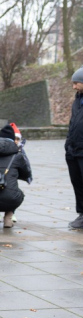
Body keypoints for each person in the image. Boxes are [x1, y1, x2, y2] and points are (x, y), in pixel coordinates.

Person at [0, 123, 32, 224]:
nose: (16, 141)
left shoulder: (18, 152)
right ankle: (3, 213)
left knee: (2, 190)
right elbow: (25, 169)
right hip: (2, 178)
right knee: (12, 192)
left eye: (18, 139)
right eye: (14, 138)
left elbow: (25, 165)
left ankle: (6, 212)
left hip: (3, 178)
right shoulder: (16, 153)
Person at [66, 67, 83, 230]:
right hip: (74, 151)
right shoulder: (77, 100)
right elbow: (72, 124)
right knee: (78, 184)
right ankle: (82, 214)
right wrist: (68, 146)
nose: (74, 87)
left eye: (77, 83)